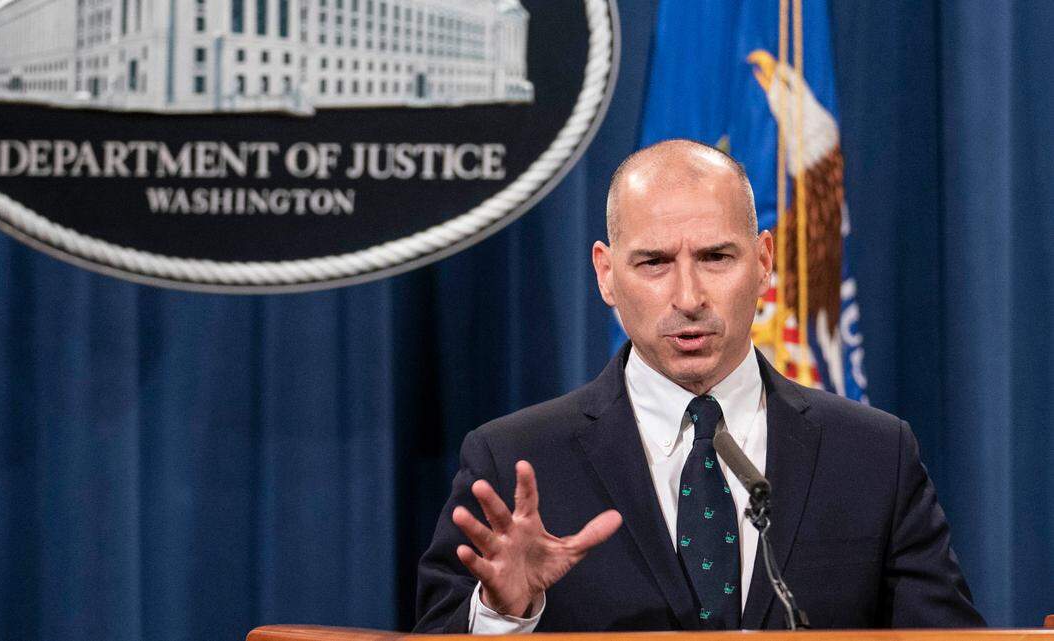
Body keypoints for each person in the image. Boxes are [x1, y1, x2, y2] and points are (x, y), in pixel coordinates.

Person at [414, 140, 984, 633]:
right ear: (607, 275)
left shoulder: (874, 455)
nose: (688, 297)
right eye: (654, 263)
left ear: (763, 261)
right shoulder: (516, 460)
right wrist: (502, 613)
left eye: (715, 257)